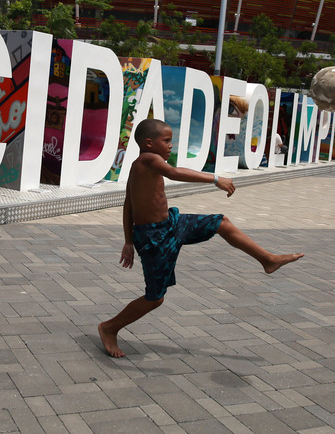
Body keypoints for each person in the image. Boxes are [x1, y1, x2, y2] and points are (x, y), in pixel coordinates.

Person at [98, 118, 304, 358]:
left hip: (171, 225)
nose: (170, 146)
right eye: (166, 141)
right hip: (155, 238)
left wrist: (128, 241)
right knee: (155, 299)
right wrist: (216, 179)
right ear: (149, 143)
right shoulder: (147, 159)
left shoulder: (142, 166)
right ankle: (109, 327)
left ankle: (267, 259)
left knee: (221, 222)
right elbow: (173, 173)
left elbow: (128, 205)